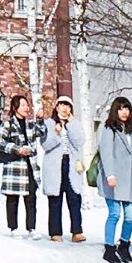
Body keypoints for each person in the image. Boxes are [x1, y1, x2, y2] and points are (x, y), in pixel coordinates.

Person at [96, 96, 132, 263]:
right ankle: (109, 248)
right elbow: (106, 153)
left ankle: (124, 244)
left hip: (128, 181)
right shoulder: (109, 129)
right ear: (115, 110)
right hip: (112, 180)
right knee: (114, 214)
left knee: (130, 216)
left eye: (127, 108)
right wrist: (110, 175)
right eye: (121, 108)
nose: (124, 112)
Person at [0, 93, 44, 235]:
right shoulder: (8, 124)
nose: (26, 108)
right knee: (12, 198)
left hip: (30, 166)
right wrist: (17, 149)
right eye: (23, 105)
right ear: (15, 108)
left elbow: (42, 133)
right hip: (15, 166)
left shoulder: (30, 124)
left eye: (27, 105)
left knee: (31, 198)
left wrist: (40, 119)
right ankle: (13, 227)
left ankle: (31, 228)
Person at [38, 95, 86, 244]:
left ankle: (77, 231)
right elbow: (45, 144)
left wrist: (70, 124)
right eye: (62, 105)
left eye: (68, 105)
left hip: (71, 165)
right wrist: (57, 133)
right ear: (57, 107)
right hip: (54, 165)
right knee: (55, 199)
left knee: (74, 198)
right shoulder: (49, 123)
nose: (65, 108)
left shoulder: (75, 123)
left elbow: (79, 142)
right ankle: (55, 232)